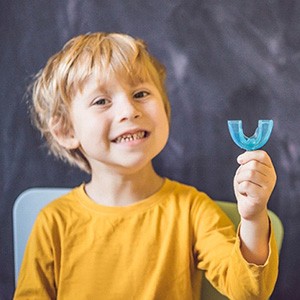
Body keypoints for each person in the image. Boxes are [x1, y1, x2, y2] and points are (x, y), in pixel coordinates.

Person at [14, 32, 278, 300]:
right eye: (101, 101)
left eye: (140, 94)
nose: (129, 110)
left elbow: (249, 292)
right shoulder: (52, 222)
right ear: (66, 130)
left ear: (164, 110)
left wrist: (254, 217)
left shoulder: (192, 210)